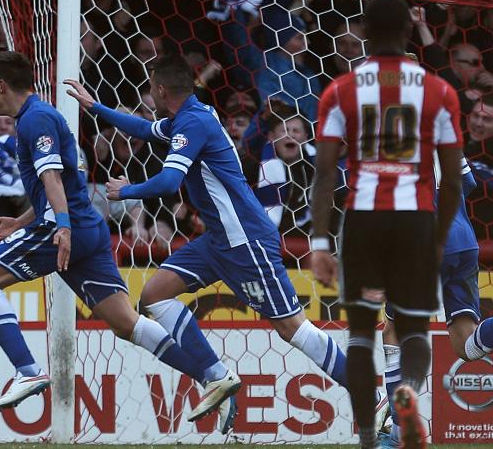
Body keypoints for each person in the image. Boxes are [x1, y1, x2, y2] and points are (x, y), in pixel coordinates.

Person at [65, 54, 350, 435]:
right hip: (217, 240)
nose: (149, 89)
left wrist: (125, 191)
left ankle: (369, 393)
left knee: (292, 328)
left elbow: (168, 183)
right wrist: (94, 106)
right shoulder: (194, 114)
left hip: (245, 240)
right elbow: (146, 129)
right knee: (154, 296)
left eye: (151, 84)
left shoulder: (194, 122)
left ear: (161, 89)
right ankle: (216, 376)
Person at [0, 51, 218, 418]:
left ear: (2, 86)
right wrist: (20, 221)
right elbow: (65, 181)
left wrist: (61, 227)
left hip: (62, 229)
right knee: (126, 323)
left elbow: (52, 178)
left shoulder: (34, 121)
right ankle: (211, 377)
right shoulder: (40, 117)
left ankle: (27, 371)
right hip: (88, 228)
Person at [308, 0, 464, 449]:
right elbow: (452, 180)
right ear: (407, 32)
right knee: (414, 329)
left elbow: (323, 174)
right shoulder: (439, 92)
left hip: (363, 222)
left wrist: (319, 241)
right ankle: (408, 395)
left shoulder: (340, 90)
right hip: (415, 220)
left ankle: (365, 436)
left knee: (360, 336)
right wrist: (437, 238)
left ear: (365, 33)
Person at [376, 157, 493, 448]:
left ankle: (399, 436)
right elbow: (469, 182)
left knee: (394, 333)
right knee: (466, 347)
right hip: (463, 240)